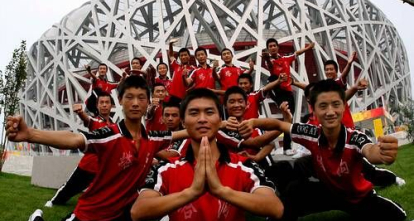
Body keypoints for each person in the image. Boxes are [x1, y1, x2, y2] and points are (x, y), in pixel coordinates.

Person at [7, 75, 188, 221]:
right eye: (129, 97)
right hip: (91, 213)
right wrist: (31, 134)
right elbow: (75, 139)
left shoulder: (153, 138)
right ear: (120, 100)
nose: (135, 103)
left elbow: (182, 133)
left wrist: (215, 124)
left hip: (121, 213)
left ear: (148, 102)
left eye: (141, 98)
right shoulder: (110, 135)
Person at [239, 79, 407, 221]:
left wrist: (383, 153)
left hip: (358, 197)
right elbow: (278, 124)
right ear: (314, 109)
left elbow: (370, 151)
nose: (330, 112)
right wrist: (253, 122)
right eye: (323, 106)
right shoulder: (311, 133)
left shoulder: (354, 138)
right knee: (294, 192)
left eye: (335, 105)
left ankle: (391, 182)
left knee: (398, 215)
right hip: (328, 192)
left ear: (343, 107)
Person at [130, 88, 284, 221]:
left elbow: (275, 208)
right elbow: (138, 211)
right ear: (183, 122)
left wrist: (220, 190)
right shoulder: (166, 168)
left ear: (219, 120)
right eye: (194, 113)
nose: (202, 119)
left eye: (209, 112)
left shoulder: (243, 165)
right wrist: (192, 192)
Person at [45, 92, 115, 208]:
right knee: (70, 188)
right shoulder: (95, 121)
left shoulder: (113, 125)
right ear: (97, 106)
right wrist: (80, 112)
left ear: (111, 105)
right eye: (101, 102)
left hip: (103, 168)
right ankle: (54, 202)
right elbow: (87, 120)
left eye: (107, 102)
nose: (104, 105)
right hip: (87, 166)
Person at [263, 38, 315, 155]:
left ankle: (288, 146)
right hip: (279, 91)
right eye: (270, 46)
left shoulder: (286, 58)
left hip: (289, 91)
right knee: (287, 117)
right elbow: (271, 66)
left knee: (290, 119)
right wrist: (266, 57)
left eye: (273, 45)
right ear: (268, 49)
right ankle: (287, 147)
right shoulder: (269, 61)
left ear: (277, 47)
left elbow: (297, 53)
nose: (272, 48)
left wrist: (308, 48)